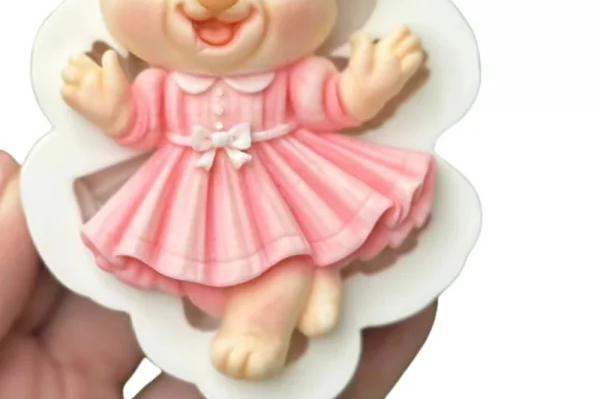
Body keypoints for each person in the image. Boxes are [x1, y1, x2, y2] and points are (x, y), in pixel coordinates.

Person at [0, 150, 436, 397]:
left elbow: (326, 99)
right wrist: (109, 103)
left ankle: (302, 283)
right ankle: (289, 291)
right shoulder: (169, 84)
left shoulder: (285, 78)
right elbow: (139, 116)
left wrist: (364, 87)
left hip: (271, 164)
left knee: (287, 226)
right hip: (193, 177)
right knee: (200, 248)